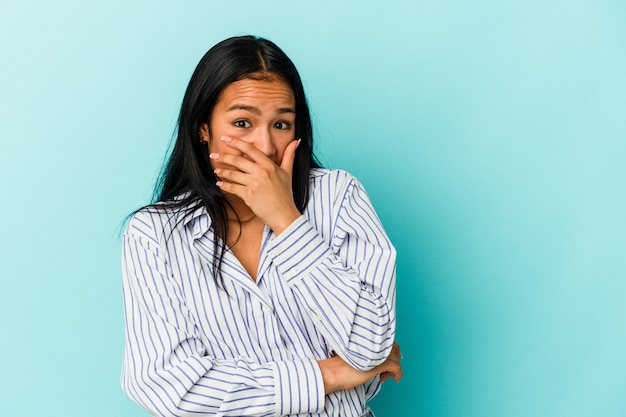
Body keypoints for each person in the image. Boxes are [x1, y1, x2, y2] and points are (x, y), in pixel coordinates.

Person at [121, 35, 402, 417]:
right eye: (242, 122)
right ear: (202, 127)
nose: (265, 146)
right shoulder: (155, 235)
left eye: (282, 124)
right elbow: (169, 389)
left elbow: (370, 345)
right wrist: (328, 375)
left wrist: (286, 219)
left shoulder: (338, 197)